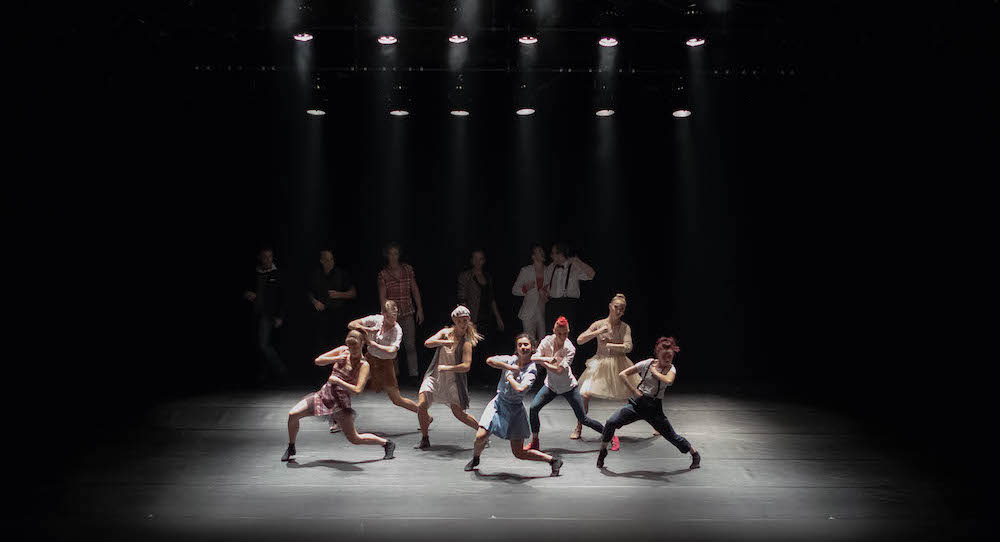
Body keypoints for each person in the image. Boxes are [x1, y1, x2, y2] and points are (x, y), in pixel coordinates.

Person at [281, 330, 396, 462]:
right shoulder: (343, 351)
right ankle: (291, 446)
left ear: (362, 344)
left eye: (356, 346)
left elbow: (358, 390)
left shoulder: (364, 365)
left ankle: (387, 443)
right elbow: (318, 361)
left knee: (355, 438)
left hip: (340, 403)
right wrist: (334, 359)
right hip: (324, 396)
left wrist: (339, 381)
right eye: (350, 346)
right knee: (293, 414)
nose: (352, 349)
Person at [464, 333, 564, 476]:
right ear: (516, 348)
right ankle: (476, 458)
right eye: (520, 345)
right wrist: (508, 367)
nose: (523, 347)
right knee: (480, 436)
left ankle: (553, 461)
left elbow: (520, 388)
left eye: (526, 345)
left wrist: (509, 377)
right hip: (498, 404)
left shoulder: (532, 370)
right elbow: (489, 360)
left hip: (514, 409)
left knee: (518, 453)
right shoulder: (511, 359)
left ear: (532, 348)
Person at [596, 336, 701, 470]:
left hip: (654, 408)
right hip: (637, 404)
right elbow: (623, 374)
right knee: (611, 422)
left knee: (672, 436)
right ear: (658, 353)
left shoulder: (671, 369)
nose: (668, 359)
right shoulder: (647, 363)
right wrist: (634, 390)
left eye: (670, 356)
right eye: (665, 355)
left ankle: (695, 454)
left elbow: (669, 381)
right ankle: (603, 450)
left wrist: (655, 373)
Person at [524, 316, 608, 451]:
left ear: (568, 332)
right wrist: (548, 359)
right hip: (550, 386)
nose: (562, 336)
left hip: (568, 387)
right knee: (534, 408)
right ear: (554, 331)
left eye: (565, 334)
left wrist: (543, 363)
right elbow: (533, 357)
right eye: (559, 333)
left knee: (583, 418)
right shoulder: (546, 341)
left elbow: (559, 371)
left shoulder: (570, 348)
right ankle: (535, 441)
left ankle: (609, 435)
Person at [573, 293, 640, 447]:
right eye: (616, 308)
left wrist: (611, 345)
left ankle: (655, 423)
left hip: (620, 363)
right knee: (584, 394)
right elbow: (580, 340)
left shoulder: (624, 327)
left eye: (622, 309)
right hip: (600, 363)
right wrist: (597, 332)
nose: (619, 311)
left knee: (637, 396)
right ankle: (579, 426)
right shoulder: (599, 324)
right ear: (610, 307)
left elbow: (628, 347)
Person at [413, 306, 483, 450]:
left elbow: (466, 366)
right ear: (454, 321)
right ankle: (425, 438)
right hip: (435, 376)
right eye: (460, 321)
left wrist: (447, 368)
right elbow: (427, 343)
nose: (463, 324)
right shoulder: (445, 333)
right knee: (421, 405)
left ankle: (483, 432)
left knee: (459, 413)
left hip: (452, 380)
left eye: (465, 320)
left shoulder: (466, 342)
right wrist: (443, 342)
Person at [345, 301, 421, 429]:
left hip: (386, 364)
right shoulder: (376, 320)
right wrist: (367, 329)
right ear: (383, 314)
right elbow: (351, 324)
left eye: (395, 316)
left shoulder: (397, 330)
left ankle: (423, 414)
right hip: (369, 361)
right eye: (390, 316)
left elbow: (392, 350)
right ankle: (338, 418)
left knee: (397, 399)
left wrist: (372, 343)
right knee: (350, 383)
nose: (393, 320)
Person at [377, 242, 425, 382]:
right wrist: (384, 314)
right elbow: (382, 296)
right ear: (387, 255)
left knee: (410, 344)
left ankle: (414, 375)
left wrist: (420, 308)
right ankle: (395, 376)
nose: (393, 256)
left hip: (408, 311)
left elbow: (414, 289)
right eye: (390, 253)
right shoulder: (383, 274)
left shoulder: (407, 269)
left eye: (395, 253)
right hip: (392, 315)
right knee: (393, 347)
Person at [243, 247, 287, 384]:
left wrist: (280, 316)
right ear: (260, 258)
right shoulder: (254, 273)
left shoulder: (277, 274)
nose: (267, 260)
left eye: (269, 257)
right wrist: (247, 294)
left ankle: (281, 370)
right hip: (255, 313)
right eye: (265, 257)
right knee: (259, 345)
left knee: (264, 344)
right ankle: (264, 375)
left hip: (268, 315)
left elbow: (283, 297)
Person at [543, 243, 596, 345]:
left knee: (568, 334)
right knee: (552, 333)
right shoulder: (551, 267)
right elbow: (546, 283)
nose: (551, 256)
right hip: (554, 303)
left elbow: (591, 274)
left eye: (554, 253)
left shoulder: (574, 266)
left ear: (560, 254)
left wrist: (577, 261)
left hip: (569, 304)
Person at [308, 248, 356, 356]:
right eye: (326, 260)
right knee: (321, 343)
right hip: (321, 315)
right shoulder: (316, 274)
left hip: (337, 314)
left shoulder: (341, 274)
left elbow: (353, 293)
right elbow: (308, 291)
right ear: (321, 261)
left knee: (337, 343)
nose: (330, 262)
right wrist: (314, 301)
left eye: (331, 259)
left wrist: (339, 294)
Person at [511, 243, 548, 342]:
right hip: (528, 311)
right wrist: (525, 288)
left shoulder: (548, 270)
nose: (542, 253)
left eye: (542, 251)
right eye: (539, 252)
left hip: (542, 310)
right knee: (529, 340)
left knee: (543, 341)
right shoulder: (526, 271)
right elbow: (515, 290)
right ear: (533, 256)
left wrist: (547, 293)